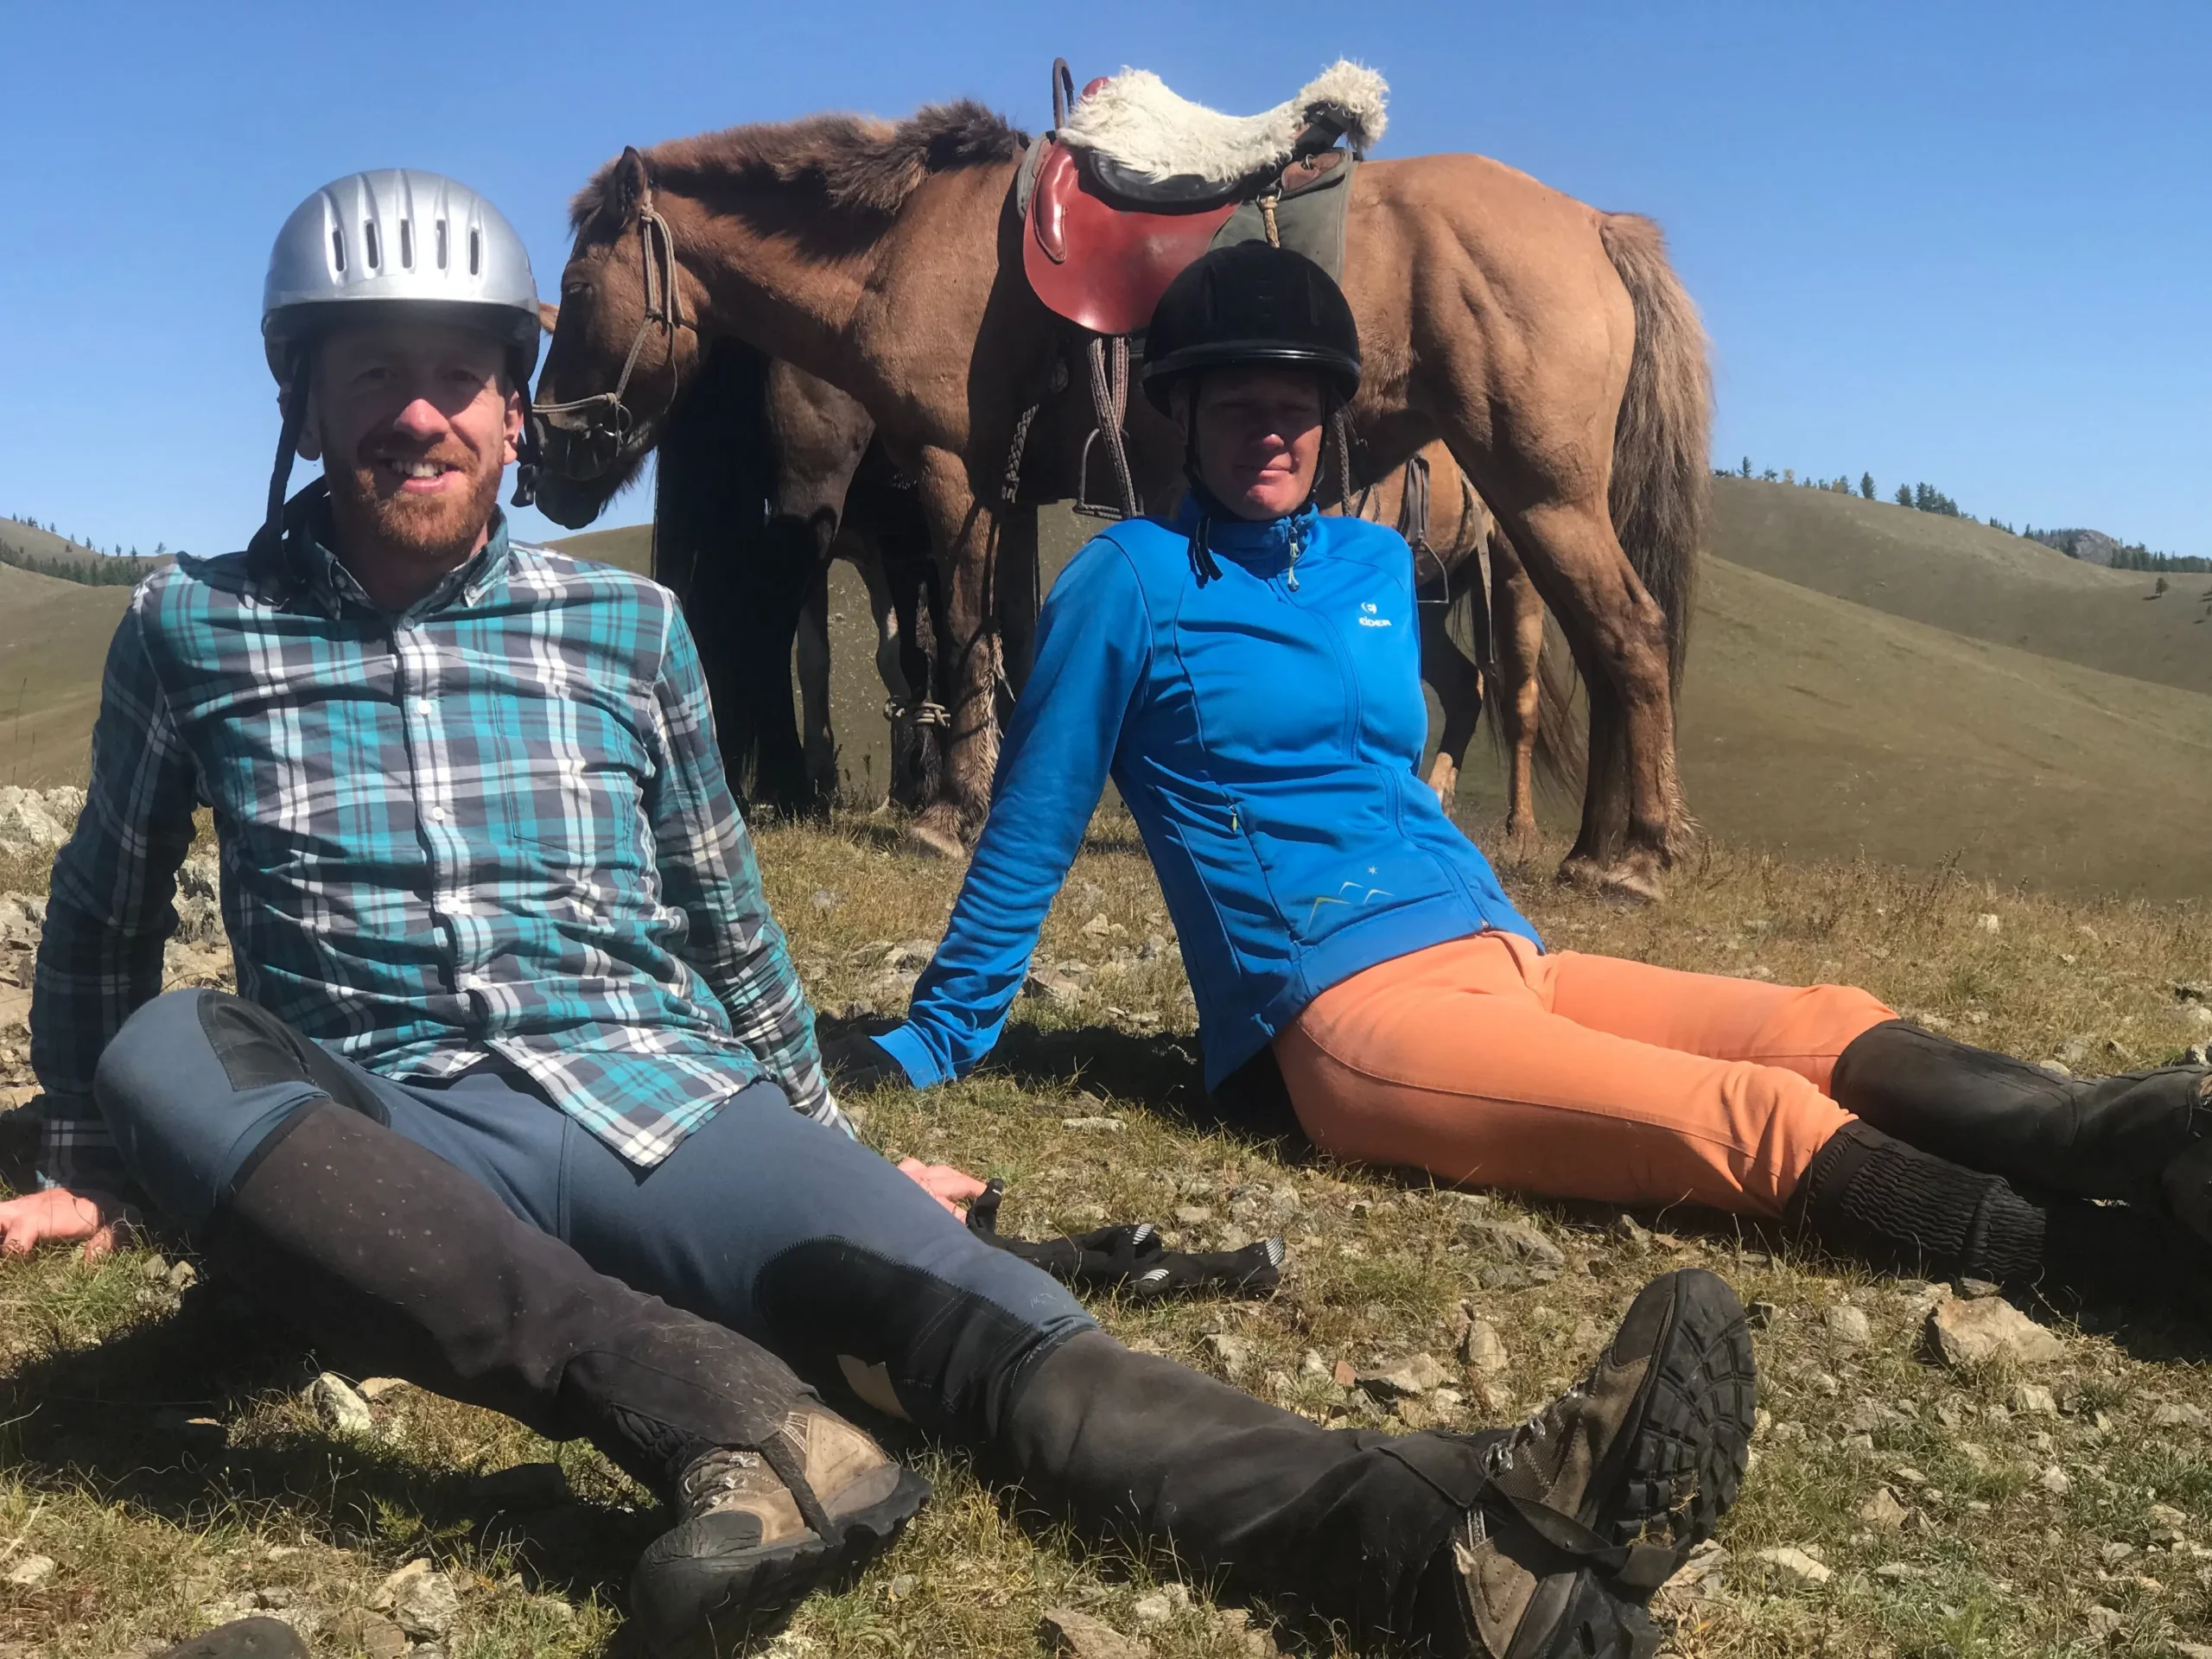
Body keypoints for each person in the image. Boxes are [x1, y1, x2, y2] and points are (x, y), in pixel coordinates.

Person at [0, 171, 1758, 1659]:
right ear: (297, 398)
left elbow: (721, 914)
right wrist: (79, 1143)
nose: (418, 413)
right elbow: (102, 918)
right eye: (370, 372)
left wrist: (833, 1136)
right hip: (379, 1122)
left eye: (457, 377)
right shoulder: (193, 627)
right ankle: (728, 1419)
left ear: (516, 409)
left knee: (973, 1327)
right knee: (167, 1054)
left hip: (654, 1096)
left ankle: (1436, 1549)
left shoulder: (624, 637)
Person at [847, 240, 2212, 1309]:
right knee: (1747, 1121)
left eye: (1299, 406)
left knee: (1823, 1018)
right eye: (1241, 404)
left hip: (1509, 951)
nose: (1275, 432)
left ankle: (2143, 1139)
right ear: (1182, 414)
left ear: (1334, 418)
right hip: (1348, 1017)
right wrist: (939, 1034)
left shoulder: (1381, 569)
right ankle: (2126, 1273)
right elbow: (1032, 820)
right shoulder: (1129, 583)